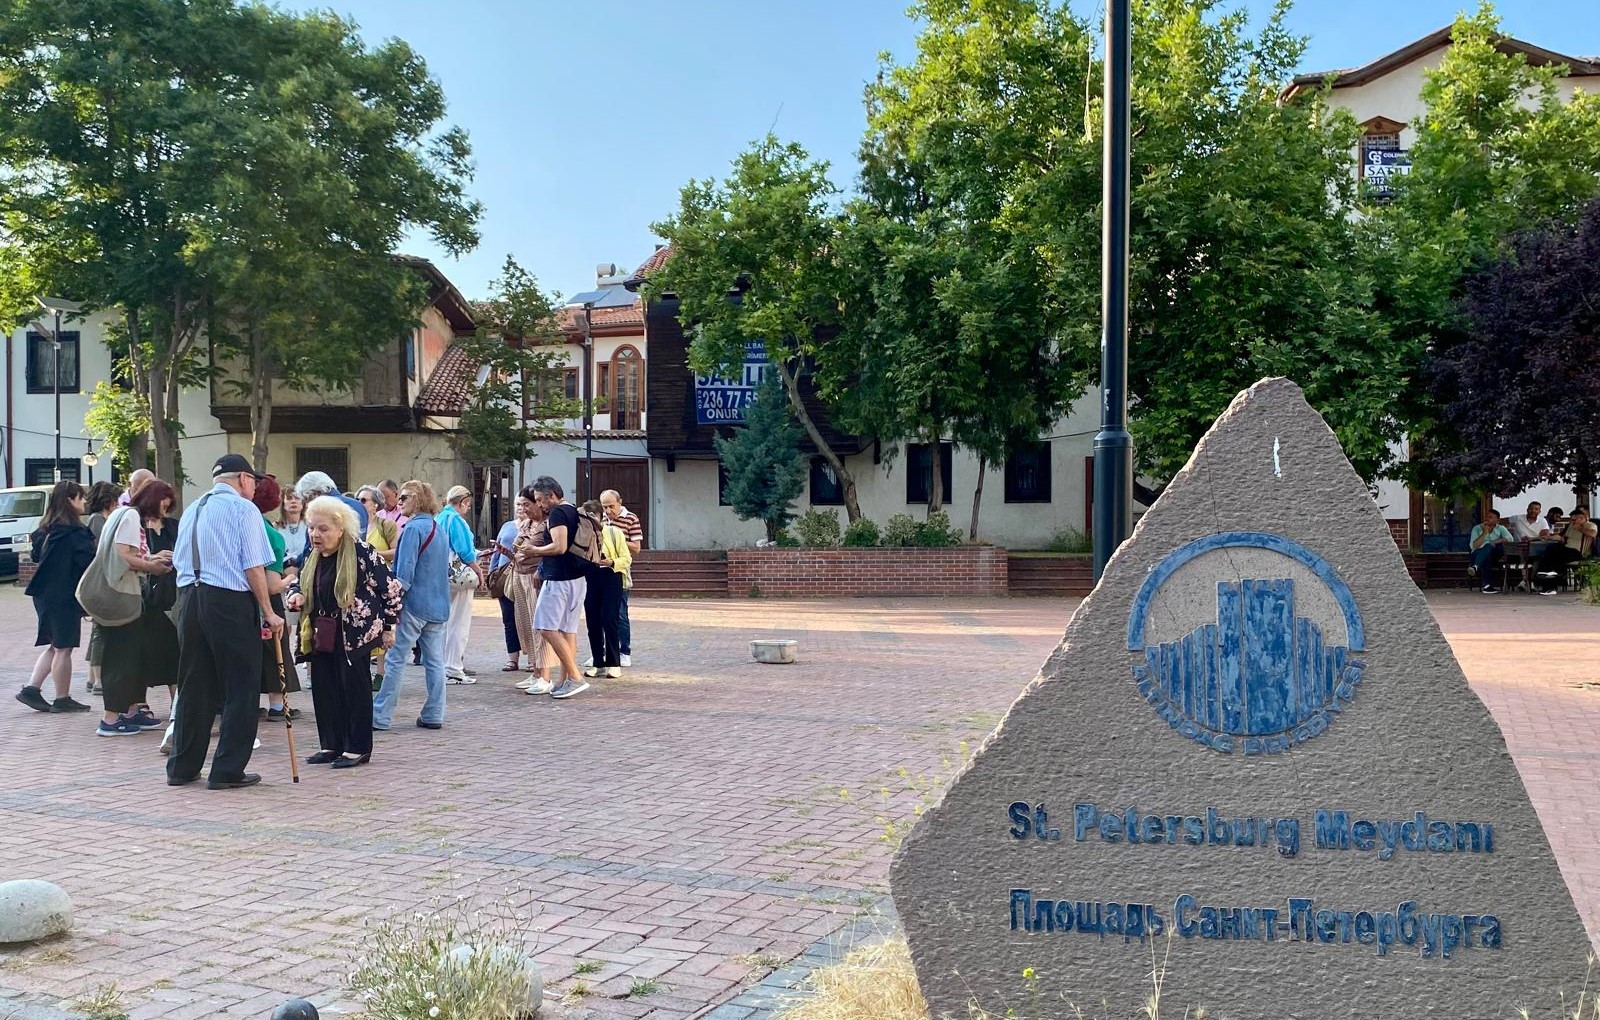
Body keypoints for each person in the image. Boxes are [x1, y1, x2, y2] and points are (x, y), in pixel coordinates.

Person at [166, 454, 282, 791]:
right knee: (241, 685)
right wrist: (268, 611)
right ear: (244, 479)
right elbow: (253, 566)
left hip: (189, 598)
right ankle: (228, 769)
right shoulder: (243, 509)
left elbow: (178, 561)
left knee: (194, 684)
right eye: (253, 481)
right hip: (228, 600)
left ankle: (182, 767)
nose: (254, 488)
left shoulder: (193, 508)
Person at [286, 496, 401, 769]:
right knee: (324, 688)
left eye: (323, 528)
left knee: (354, 689)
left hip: (354, 633)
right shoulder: (313, 554)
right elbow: (299, 582)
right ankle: (331, 744)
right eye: (312, 528)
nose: (315, 534)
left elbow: (391, 589)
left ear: (340, 528)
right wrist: (296, 595)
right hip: (321, 631)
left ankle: (357, 747)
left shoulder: (361, 552)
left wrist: (389, 626)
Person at [95, 482, 178, 736]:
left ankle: (130, 711)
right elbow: (123, 556)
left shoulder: (123, 514)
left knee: (132, 653)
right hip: (123, 596)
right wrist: (151, 566)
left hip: (123, 596)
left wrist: (152, 557)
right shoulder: (131, 517)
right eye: (163, 502)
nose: (165, 509)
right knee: (121, 656)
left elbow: (126, 554)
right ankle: (111, 719)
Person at [373, 481, 451, 730]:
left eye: (405, 496)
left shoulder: (412, 529)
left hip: (414, 605)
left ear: (417, 499)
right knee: (435, 662)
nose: (400, 501)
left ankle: (380, 715)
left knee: (395, 659)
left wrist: (389, 601)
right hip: (438, 605)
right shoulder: (438, 528)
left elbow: (403, 576)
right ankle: (434, 714)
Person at [17, 481, 95, 714]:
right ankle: (62, 698)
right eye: (81, 497)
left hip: (43, 593)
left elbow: (36, 556)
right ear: (70, 500)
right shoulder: (76, 533)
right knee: (64, 647)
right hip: (64, 595)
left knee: (55, 644)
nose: (84, 501)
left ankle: (31, 689)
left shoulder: (45, 530)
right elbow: (87, 564)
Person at [528, 476, 590, 699]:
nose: (539, 505)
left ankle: (574, 676)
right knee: (567, 630)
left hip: (559, 579)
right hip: (576, 578)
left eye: (540, 500)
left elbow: (559, 546)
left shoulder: (557, 513)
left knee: (546, 627)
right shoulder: (573, 509)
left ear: (551, 495)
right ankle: (565, 681)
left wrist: (533, 551)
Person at [251, 476, 300, 721]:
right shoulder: (272, 535)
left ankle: (250, 703)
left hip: (238, 599)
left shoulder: (246, 524)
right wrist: (291, 578)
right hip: (267, 602)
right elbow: (273, 586)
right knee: (275, 651)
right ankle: (278, 705)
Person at [580, 499, 631, 681]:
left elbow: (626, 558)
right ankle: (598, 662)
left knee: (610, 619)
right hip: (590, 576)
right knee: (592, 621)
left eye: (593, 516)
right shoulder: (581, 535)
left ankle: (614, 663)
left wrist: (611, 562)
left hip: (611, 575)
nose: (590, 520)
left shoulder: (614, 532)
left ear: (601, 517)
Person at [437, 485, 481, 684]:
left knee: (445, 623)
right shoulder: (455, 520)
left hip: (441, 575)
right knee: (459, 622)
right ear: (462, 502)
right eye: (468, 504)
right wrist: (478, 570)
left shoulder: (439, 518)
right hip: (459, 576)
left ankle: (443, 665)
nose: (468, 508)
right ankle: (453, 667)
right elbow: (465, 551)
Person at [83, 481, 123, 695]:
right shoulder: (98, 521)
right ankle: (98, 679)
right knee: (100, 629)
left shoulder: (98, 519)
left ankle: (92, 677)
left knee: (97, 631)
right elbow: (102, 552)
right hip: (103, 581)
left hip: (103, 580)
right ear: (109, 501)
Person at [598, 489, 642, 668]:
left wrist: (616, 537)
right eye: (604, 507)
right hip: (601, 572)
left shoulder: (630, 518)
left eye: (611, 506)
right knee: (601, 615)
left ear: (620, 503)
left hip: (620, 572)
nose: (608, 511)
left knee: (620, 614)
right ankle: (603, 652)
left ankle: (624, 651)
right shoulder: (601, 519)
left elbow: (637, 547)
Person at [512, 493, 550, 693]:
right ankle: (535, 671)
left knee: (539, 625)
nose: (524, 509)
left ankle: (544, 675)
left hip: (535, 576)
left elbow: (536, 550)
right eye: (521, 505)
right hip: (519, 574)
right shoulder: (526, 524)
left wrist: (531, 554)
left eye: (527, 504)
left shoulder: (547, 525)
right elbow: (518, 547)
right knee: (525, 624)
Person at [489, 502, 524, 672]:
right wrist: (492, 572)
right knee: (508, 619)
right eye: (517, 504)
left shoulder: (536, 526)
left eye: (523, 504)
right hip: (504, 576)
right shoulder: (507, 526)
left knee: (527, 619)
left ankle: (532, 660)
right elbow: (497, 551)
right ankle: (512, 659)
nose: (520, 508)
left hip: (524, 575)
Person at [1536, 506, 1597, 595]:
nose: (1572, 521)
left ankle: (1551, 583)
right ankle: (1547, 582)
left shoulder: (1590, 525)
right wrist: (1549, 537)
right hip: (1566, 549)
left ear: (1581, 518)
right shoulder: (1570, 526)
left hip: (1577, 552)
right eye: (1571, 519)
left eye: (1574, 520)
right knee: (1549, 553)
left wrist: (1580, 528)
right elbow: (1562, 537)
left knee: (1553, 556)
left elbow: (1593, 534)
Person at [294, 471, 367, 535]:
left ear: (314, 493)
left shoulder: (321, 511)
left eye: (306, 499)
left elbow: (312, 545)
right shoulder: (359, 505)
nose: (307, 505)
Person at [1468, 508, 1513, 594]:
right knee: (1486, 555)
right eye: (1487, 517)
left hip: (1494, 556)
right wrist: (1484, 533)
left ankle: (1475, 567)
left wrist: (1494, 542)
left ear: (1497, 520)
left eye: (1490, 517)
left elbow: (1510, 539)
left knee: (1493, 548)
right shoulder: (1477, 528)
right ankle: (1486, 586)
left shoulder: (1500, 528)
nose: (1487, 519)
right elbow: (1474, 546)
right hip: (1477, 554)